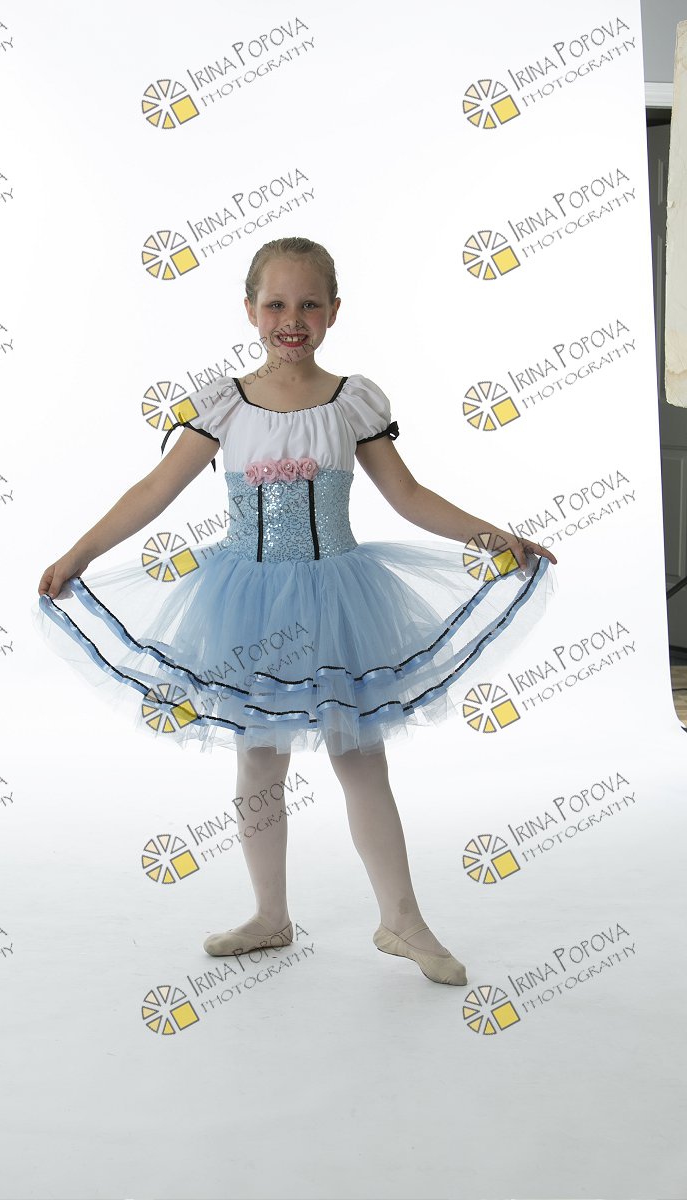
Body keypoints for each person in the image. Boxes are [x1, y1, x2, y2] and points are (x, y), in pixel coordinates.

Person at [36, 236, 557, 987]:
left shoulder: (354, 401)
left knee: (359, 755)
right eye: (276, 303)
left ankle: (402, 919)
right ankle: (269, 915)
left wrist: (493, 537)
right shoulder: (223, 403)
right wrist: (80, 552)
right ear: (249, 310)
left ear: (334, 312)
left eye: (309, 304)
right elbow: (154, 490)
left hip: (339, 598)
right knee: (258, 756)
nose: (292, 318)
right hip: (247, 600)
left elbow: (407, 496)